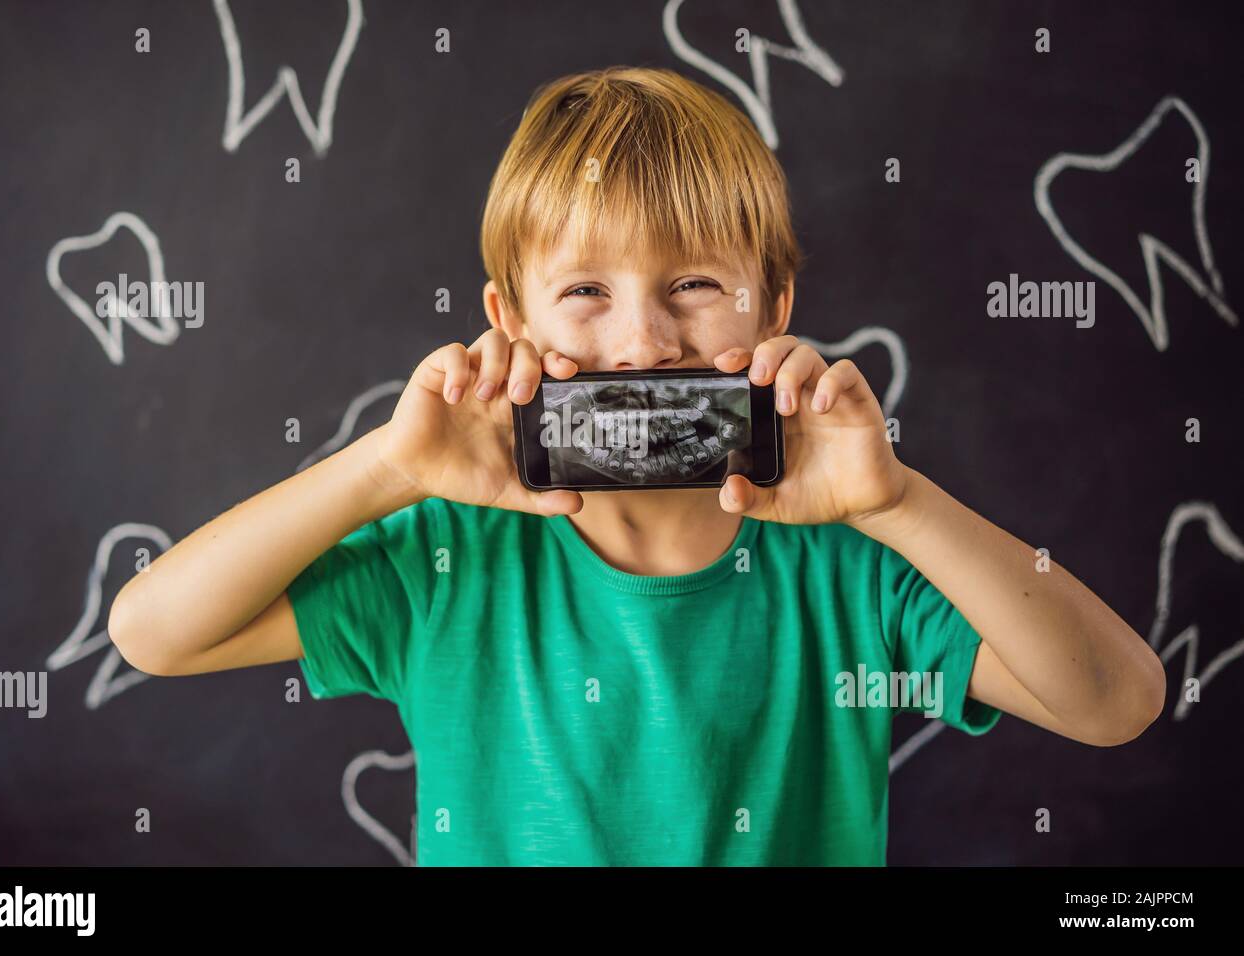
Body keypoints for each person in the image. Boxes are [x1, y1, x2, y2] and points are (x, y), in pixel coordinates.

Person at [108, 66, 1165, 865]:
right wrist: (386, 469)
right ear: (507, 320)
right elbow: (151, 631)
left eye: (695, 282)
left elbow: (1116, 700)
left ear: (776, 307)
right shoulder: (448, 555)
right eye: (585, 293)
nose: (646, 340)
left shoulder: (853, 557)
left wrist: (900, 501)